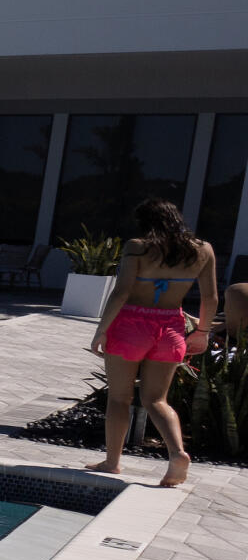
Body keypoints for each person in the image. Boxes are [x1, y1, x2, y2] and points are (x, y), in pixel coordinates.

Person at [91, 196, 221, 487]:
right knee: (156, 399)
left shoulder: (138, 247)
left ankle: (112, 462)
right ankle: (177, 453)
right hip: (171, 328)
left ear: (146, 222)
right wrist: (202, 331)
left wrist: (101, 330)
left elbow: (122, 292)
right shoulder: (203, 250)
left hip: (131, 325)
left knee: (119, 397)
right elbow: (211, 297)